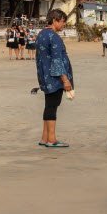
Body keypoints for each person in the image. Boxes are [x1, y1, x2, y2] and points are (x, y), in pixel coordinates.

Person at [35, 9, 74, 148]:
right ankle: (52, 139)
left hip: (44, 75)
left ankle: (44, 138)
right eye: (62, 21)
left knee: (49, 106)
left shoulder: (41, 34)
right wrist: (65, 80)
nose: (63, 24)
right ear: (54, 20)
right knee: (52, 107)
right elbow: (57, 60)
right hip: (54, 78)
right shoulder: (54, 36)